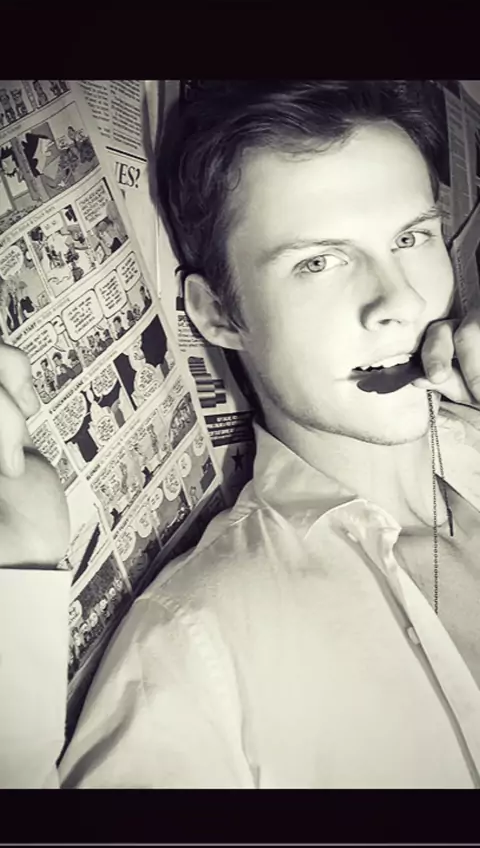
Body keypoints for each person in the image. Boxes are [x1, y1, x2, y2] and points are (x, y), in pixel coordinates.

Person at [3, 81, 480, 789]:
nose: (401, 302)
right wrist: (16, 577)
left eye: (410, 238)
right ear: (218, 314)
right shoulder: (197, 647)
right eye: (318, 261)